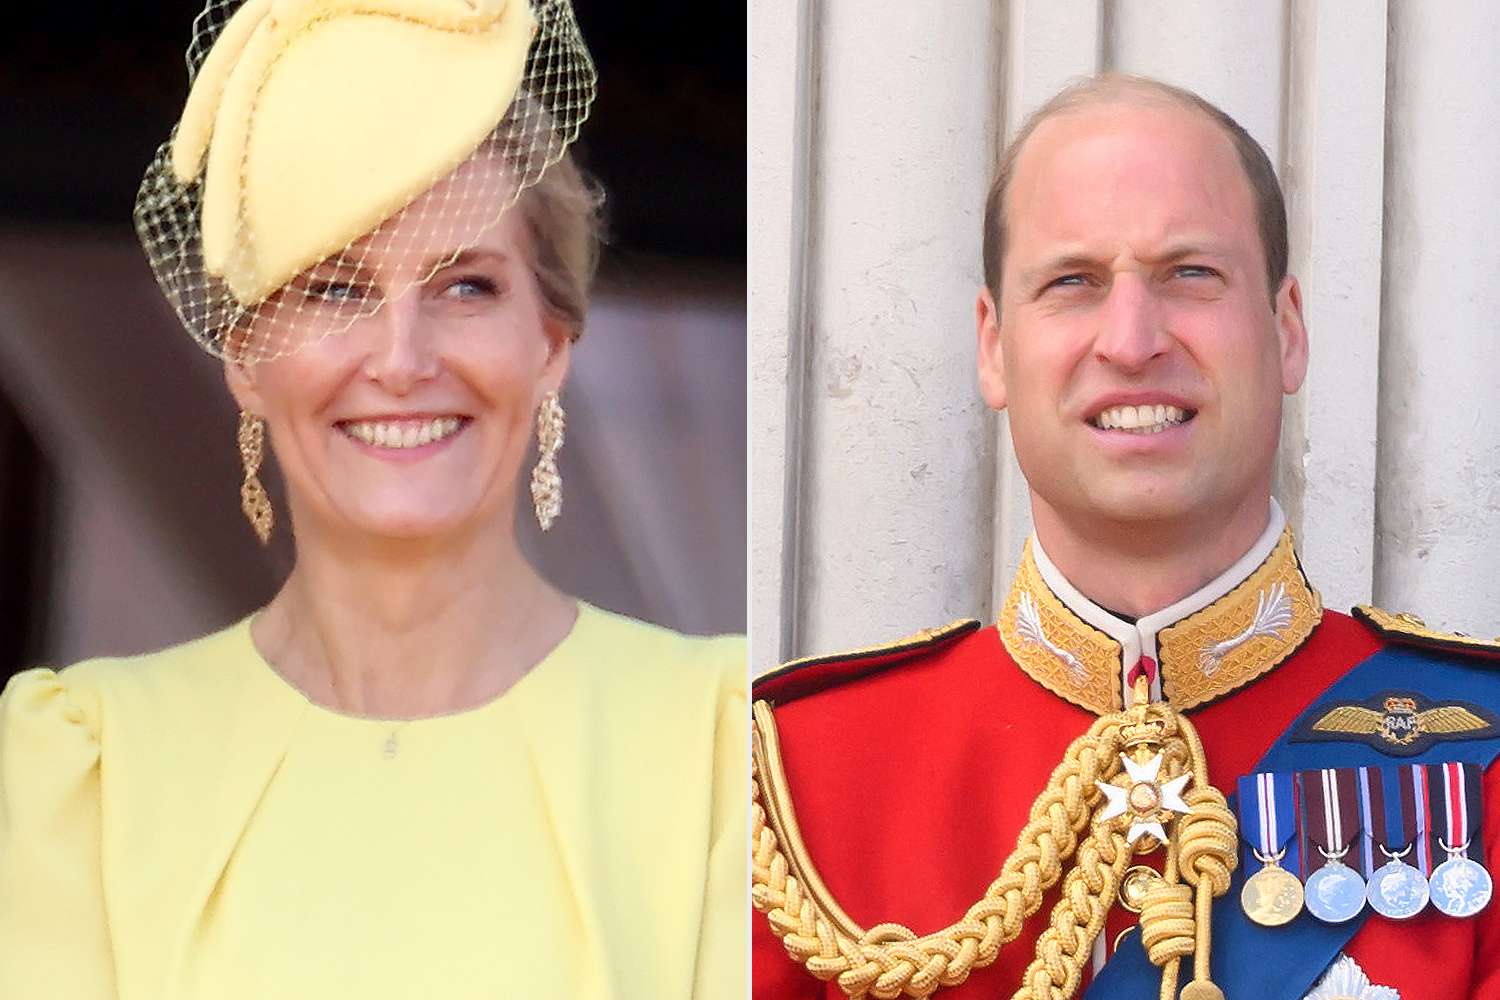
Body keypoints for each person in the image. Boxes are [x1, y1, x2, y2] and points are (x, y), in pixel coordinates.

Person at [0, 2, 745, 998]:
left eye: (467, 287)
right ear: (246, 358)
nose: (402, 361)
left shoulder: (723, 745)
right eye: (335, 289)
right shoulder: (81, 767)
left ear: (552, 347)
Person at [751, 75, 1500, 1000]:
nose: (1133, 339)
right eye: (1073, 282)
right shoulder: (801, 777)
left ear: (1288, 328)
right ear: (994, 347)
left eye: (1191, 273)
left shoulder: (1479, 751)